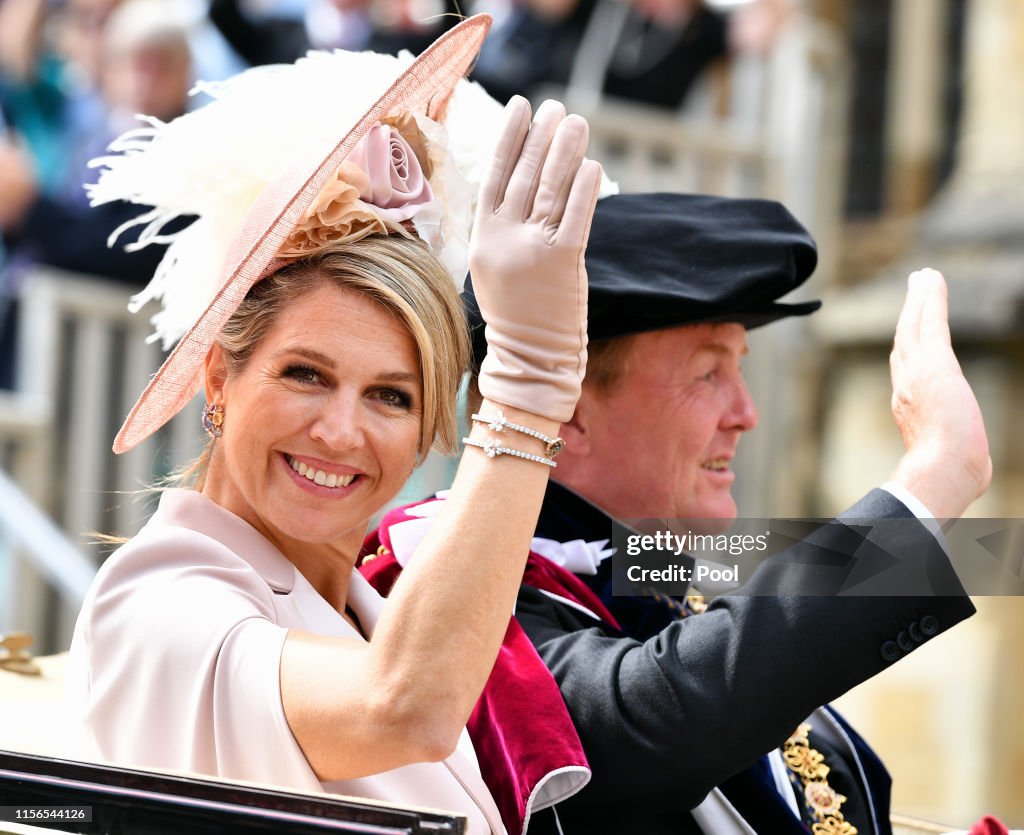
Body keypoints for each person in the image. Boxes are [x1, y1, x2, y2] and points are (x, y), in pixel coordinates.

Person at [65, 16, 605, 834]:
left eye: (392, 395)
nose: (340, 430)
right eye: (305, 374)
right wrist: (529, 388)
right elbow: (402, 705)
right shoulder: (159, 602)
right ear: (219, 374)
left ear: (430, 425)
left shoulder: (380, 614)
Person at [365, 191, 993, 833]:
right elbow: (653, 718)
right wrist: (933, 479)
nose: (745, 413)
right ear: (568, 409)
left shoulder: (664, 581)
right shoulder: (445, 589)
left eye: (738, 371)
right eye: (707, 375)